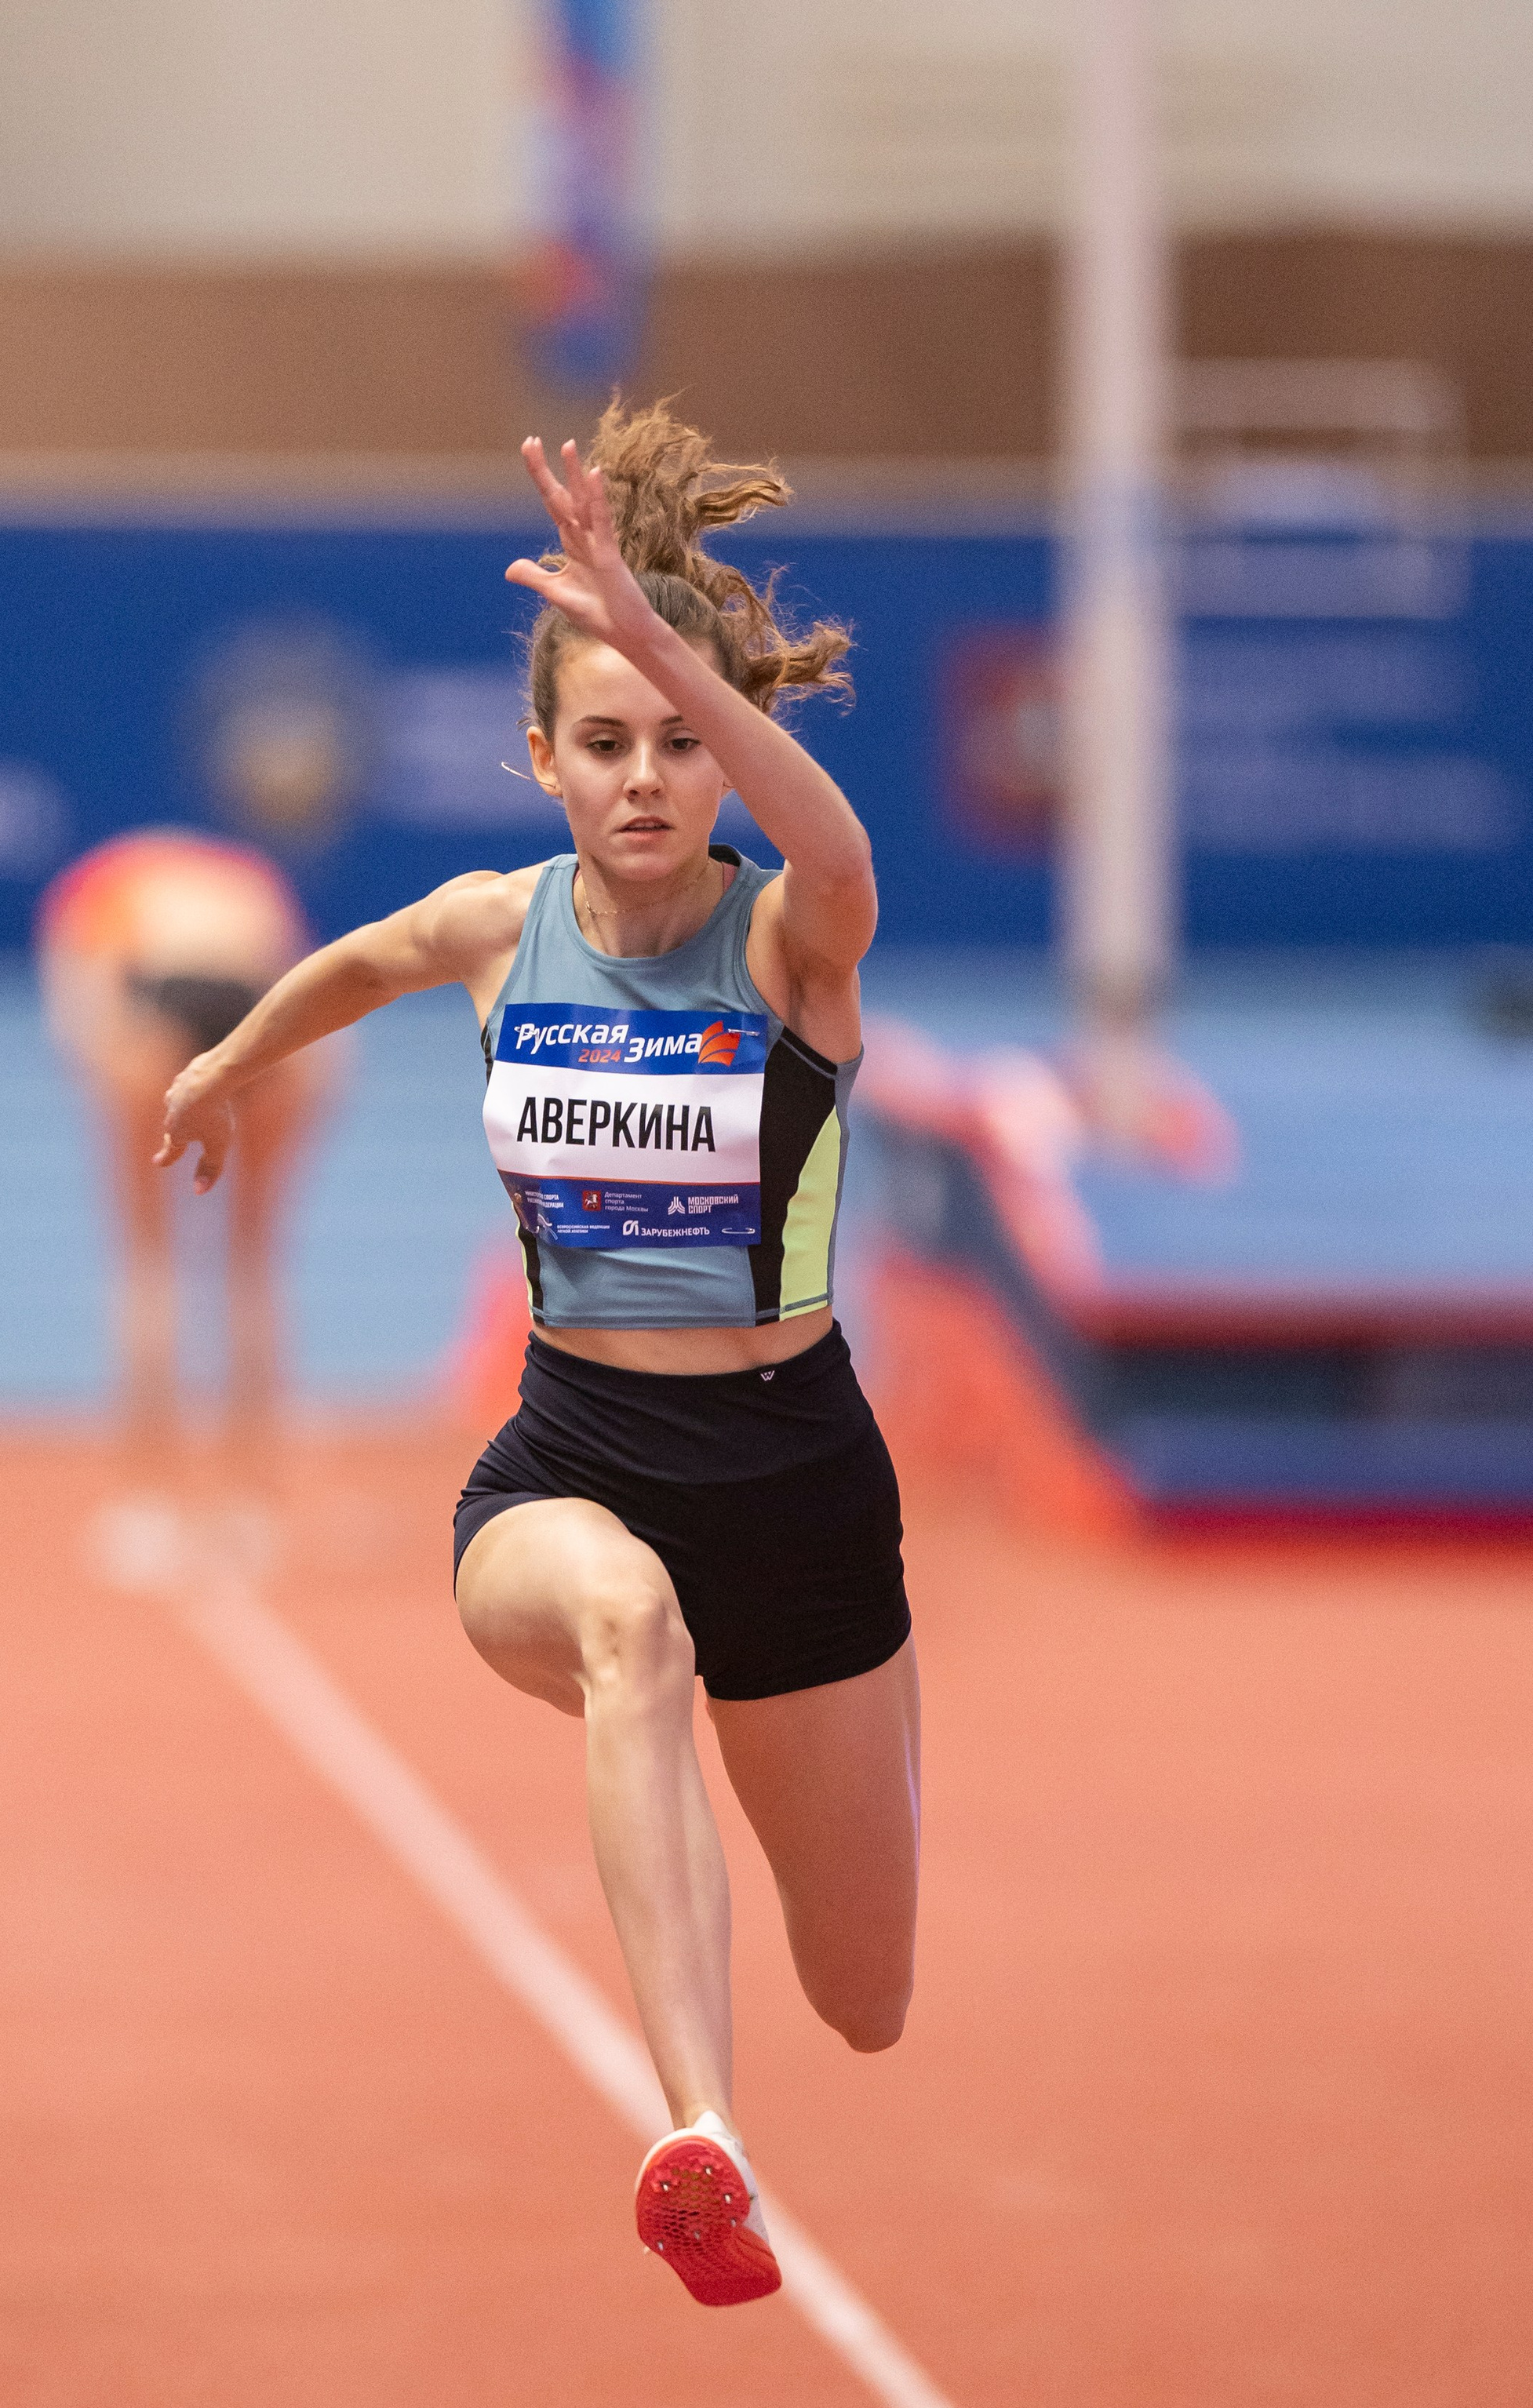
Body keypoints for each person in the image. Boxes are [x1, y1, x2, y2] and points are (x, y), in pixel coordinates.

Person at [158, 404, 919, 2310]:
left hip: (804, 1491)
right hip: (571, 1465)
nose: (646, 776)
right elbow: (356, 958)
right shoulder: (504, 931)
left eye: (676, 738)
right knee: (621, 1623)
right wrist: (226, 1063)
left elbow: (829, 835)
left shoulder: (787, 941)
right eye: (605, 741)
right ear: (541, 762)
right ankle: (696, 2133)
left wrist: (678, 658)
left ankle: (776, 2022)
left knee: (871, 1996)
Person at [36, 828, 337, 1463]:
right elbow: (310, 992)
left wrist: (122, 1088)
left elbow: (79, 1019)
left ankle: (150, 1501)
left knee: (147, 1261)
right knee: (253, 1263)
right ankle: (255, 1497)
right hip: (262, 1005)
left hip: (157, 996)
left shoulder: (92, 889)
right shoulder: (247, 879)